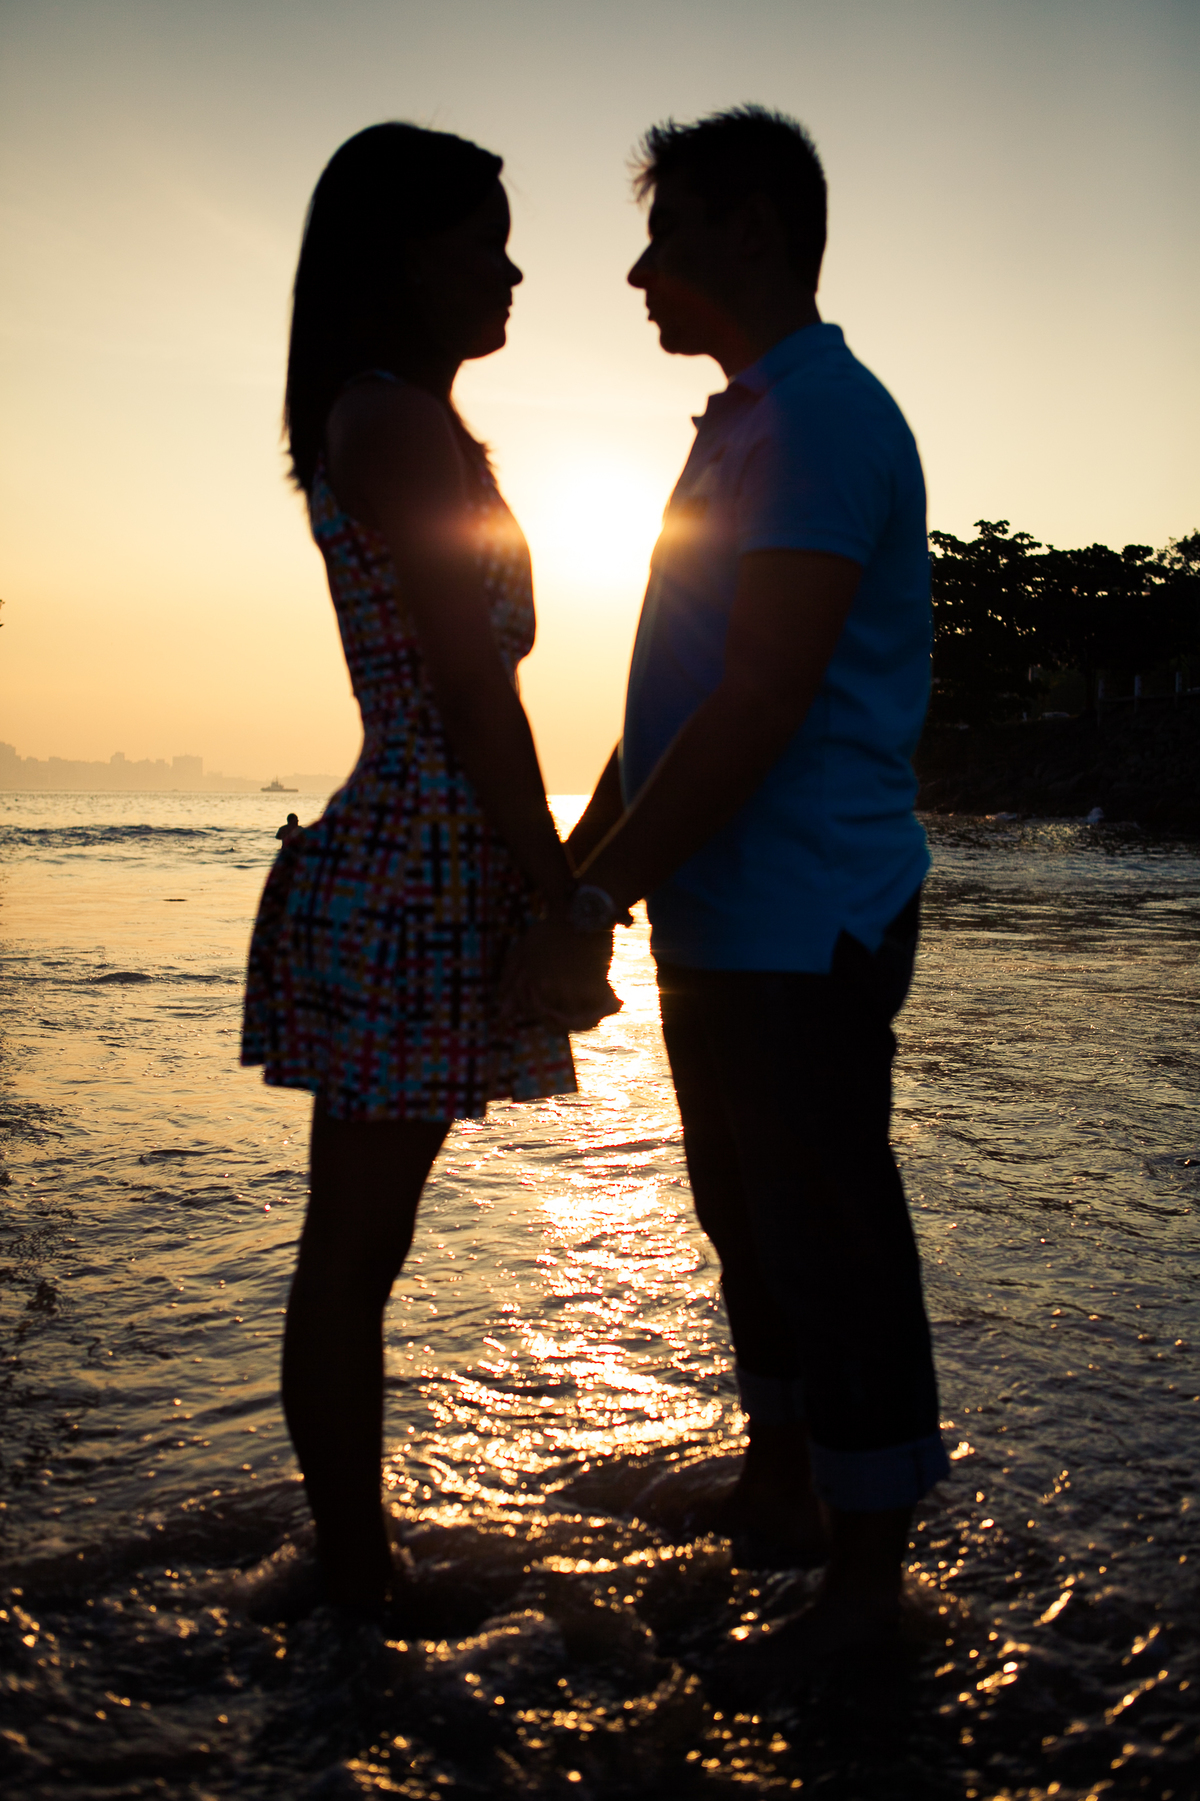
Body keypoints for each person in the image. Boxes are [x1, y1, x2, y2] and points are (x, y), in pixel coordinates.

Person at [510, 106, 949, 1659]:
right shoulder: (740, 426)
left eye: (671, 229)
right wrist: (582, 865)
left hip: (806, 910)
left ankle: (870, 1580)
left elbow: (761, 702)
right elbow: (671, 701)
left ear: (756, 228)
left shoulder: (829, 420)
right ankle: (783, 1480)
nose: (642, 269)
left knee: (830, 1226)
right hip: (723, 913)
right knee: (742, 1215)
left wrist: (594, 897)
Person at [241, 122, 615, 1615]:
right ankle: (351, 1565)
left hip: (428, 853)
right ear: (405, 257)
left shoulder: (420, 423)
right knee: (355, 1245)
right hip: (413, 865)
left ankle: (348, 1558)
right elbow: (471, 687)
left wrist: (546, 876)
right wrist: (565, 893)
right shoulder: (389, 419)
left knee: (363, 1238)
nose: (511, 265)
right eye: (484, 238)